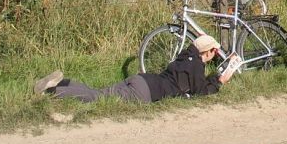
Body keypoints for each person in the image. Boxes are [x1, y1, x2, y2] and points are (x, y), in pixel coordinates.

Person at [33, 35, 233, 103]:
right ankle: (51, 91)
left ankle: (62, 83)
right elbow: (200, 92)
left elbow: (195, 82)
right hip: (144, 92)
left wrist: (215, 75)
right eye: (215, 52)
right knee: (97, 98)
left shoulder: (186, 56)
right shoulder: (196, 65)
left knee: (99, 92)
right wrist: (220, 81)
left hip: (142, 80)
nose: (216, 54)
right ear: (209, 51)